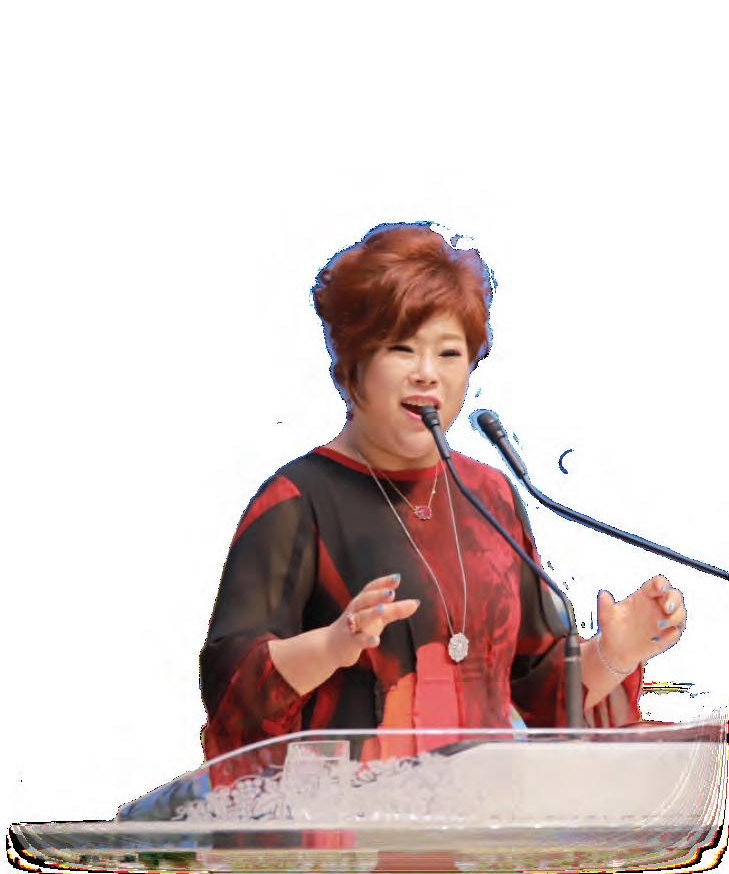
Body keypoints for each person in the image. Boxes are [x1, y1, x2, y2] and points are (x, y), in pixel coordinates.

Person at [199, 222, 686, 778]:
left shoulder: (490, 497)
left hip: (488, 816)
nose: (427, 374)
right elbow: (233, 698)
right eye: (401, 349)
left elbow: (537, 701)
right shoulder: (296, 500)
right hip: (347, 819)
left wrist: (613, 653)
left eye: (450, 353)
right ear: (353, 365)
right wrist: (332, 647)